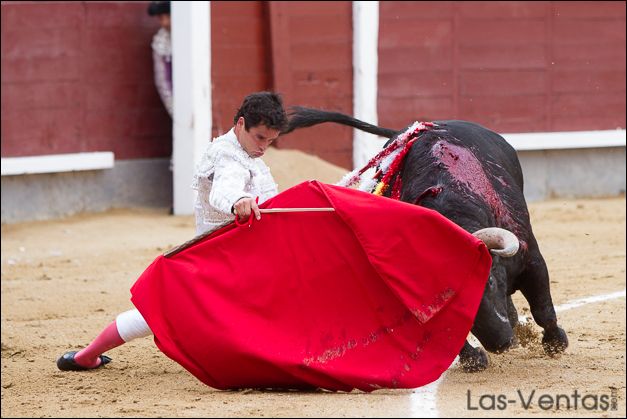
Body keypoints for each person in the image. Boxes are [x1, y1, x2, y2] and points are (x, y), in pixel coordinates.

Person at [56, 92, 288, 371]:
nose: (264, 147)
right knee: (159, 314)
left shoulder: (248, 156)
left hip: (238, 258)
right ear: (240, 124)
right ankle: (86, 356)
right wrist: (238, 201)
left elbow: (274, 204)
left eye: (270, 141)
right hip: (218, 259)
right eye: (260, 138)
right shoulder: (228, 157)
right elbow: (224, 191)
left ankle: (86, 355)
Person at [148, 1, 173, 117]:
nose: (165, 22)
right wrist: (173, 107)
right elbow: (162, 80)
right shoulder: (161, 41)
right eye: (161, 18)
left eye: (168, 16)